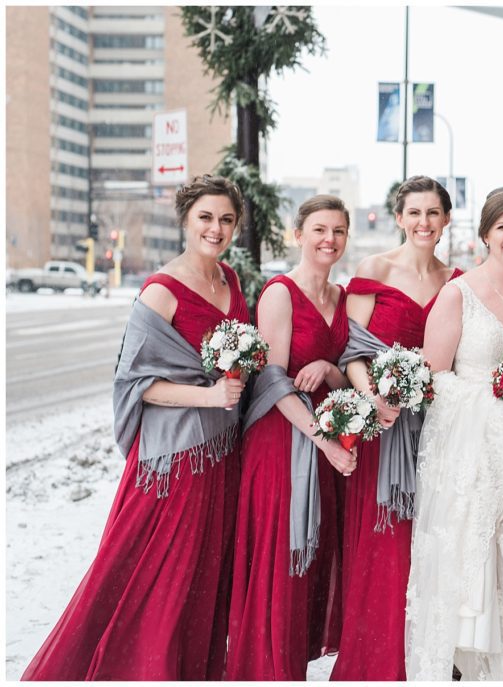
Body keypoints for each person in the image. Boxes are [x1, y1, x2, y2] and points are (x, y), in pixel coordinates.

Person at [22, 175, 249, 680]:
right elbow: (134, 383)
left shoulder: (230, 281)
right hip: (172, 462)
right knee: (146, 576)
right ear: (186, 221)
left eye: (226, 220)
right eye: (206, 218)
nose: (216, 229)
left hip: (219, 457)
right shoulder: (161, 292)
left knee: (199, 578)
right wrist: (209, 396)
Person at [405, 188, 503, 680]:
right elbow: (432, 381)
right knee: (478, 567)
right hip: (475, 457)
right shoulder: (458, 294)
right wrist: (495, 405)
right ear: (485, 234)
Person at [331, 176, 462, 681]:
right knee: (384, 544)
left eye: (433, 213)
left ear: (447, 219)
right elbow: (351, 351)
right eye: (414, 213)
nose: (424, 222)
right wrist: (374, 398)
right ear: (399, 218)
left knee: (432, 542)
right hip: (383, 430)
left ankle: (428, 659)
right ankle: (377, 663)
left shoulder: (458, 279)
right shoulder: (374, 270)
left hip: (439, 430)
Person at [225, 195, 356, 680]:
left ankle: (292, 666)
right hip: (284, 440)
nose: (329, 240)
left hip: (327, 442)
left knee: (313, 561)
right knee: (282, 559)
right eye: (319, 229)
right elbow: (272, 380)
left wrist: (328, 369)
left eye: (339, 231)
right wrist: (323, 440)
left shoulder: (343, 298)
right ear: (298, 235)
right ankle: (265, 670)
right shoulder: (280, 292)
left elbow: (345, 374)